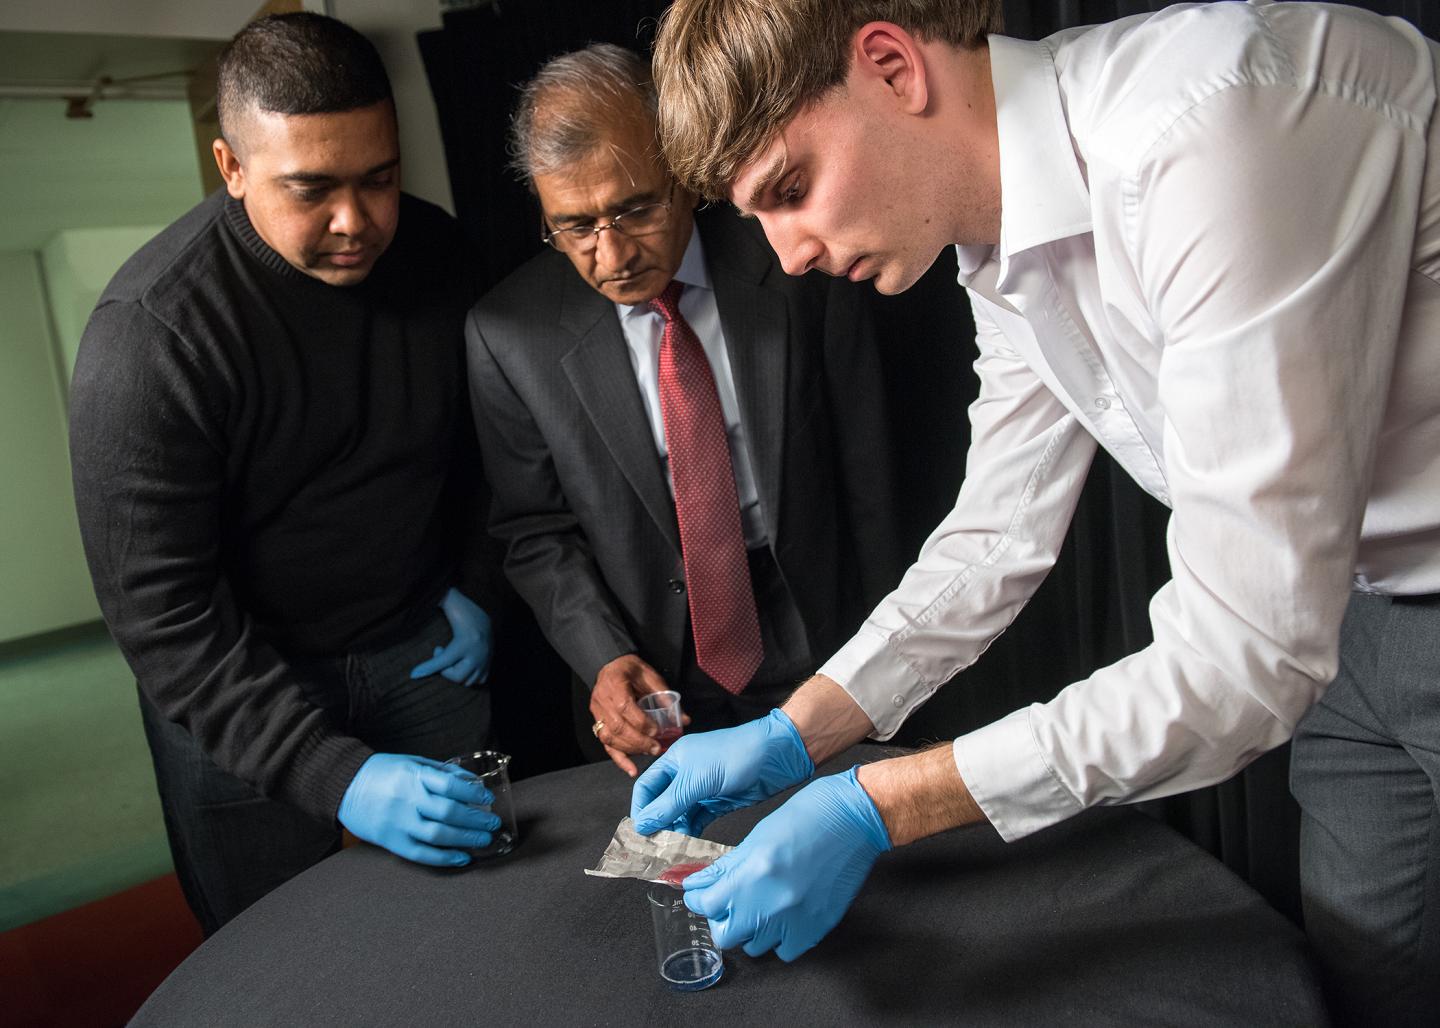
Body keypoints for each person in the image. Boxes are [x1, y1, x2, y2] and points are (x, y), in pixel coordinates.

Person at [631, 1, 1440, 1021]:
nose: (786, 254)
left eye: (790, 189)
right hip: (1347, 618)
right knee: (1370, 982)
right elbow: (998, 534)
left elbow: (1244, 656)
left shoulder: (1210, 127)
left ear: (890, 65)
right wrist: (801, 730)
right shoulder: (998, 230)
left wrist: (881, 803)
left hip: (1331, 618)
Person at [70, 12, 503, 936]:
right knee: (271, 948)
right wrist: (333, 773)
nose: (356, 222)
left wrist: (475, 583)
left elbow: (494, 444)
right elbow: (162, 614)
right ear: (230, 169)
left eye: (379, 179)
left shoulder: (438, 253)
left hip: (420, 647)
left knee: (485, 912)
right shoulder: (152, 337)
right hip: (240, 684)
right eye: (312, 190)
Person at [466, 44, 899, 777]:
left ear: (685, 176)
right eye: (574, 226)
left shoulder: (797, 262)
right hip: (655, 669)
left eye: (635, 209)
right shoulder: (508, 334)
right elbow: (535, 532)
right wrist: (604, 656)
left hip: (827, 627)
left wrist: (894, 648)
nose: (612, 256)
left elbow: (872, 465)